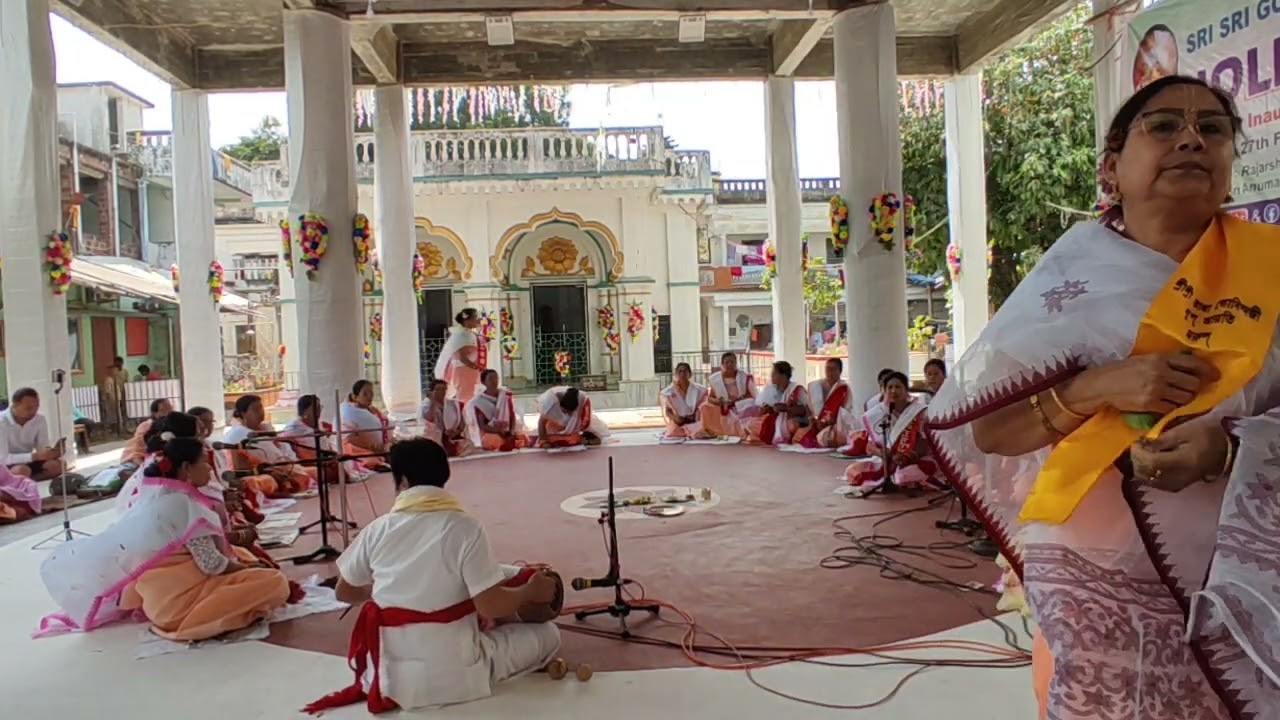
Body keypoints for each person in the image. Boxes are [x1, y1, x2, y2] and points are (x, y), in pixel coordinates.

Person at [926, 76, 1280, 720]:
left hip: (1248, 570)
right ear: (1113, 169)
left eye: (1214, 128)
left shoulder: (1272, 269)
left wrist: (1228, 450)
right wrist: (1094, 388)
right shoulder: (1069, 278)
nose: (1192, 139)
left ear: (1231, 165)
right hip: (1096, 569)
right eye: (1165, 125)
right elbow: (994, 432)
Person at [305, 438, 561, 714]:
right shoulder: (465, 528)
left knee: (481, 585)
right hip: (455, 676)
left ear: (402, 482)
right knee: (548, 634)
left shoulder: (377, 529)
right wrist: (530, 592)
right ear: (443, 476)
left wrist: (382, 596)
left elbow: (344, 591)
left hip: (389, 678)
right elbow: (490, 605)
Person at [39, 431, 291, 639]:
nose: (209, 469)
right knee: (273, 582)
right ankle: (208, 620)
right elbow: (212, 565)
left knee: (247, 561)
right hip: (181, 608)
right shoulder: (186, 506)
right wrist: (249, 566)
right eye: (203, 462)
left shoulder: (156, 497)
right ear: (186, 468)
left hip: (159, 601)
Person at [842, 371, 938, 490]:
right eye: (890, 387)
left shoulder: (918, 412)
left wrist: (907, 456)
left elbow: (925, 442)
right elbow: (869, 446)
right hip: (886, 461)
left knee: (902, 475)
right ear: (885, 391)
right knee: (852, 471)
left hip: (914, 459)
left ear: (906, 390)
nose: (893, 391)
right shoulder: (878, 414)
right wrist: (883, 454)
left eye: (898, 387)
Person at [222, 394, 312, 498]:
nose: (260, 412)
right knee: (265, 481)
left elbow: (284, 450)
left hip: (280, 468)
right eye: (255, 409)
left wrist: (288, 465)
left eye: (261, 408)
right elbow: (242, 466)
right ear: (243, 413)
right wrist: (271, 471)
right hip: (257, 474)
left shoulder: (267, 429)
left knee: (308, 472)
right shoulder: (237, 434)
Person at [0, 387, 64, 481]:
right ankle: (22, 481)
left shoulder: (39, 420)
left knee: (57, 466)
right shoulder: (2, 422)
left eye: (36, 407)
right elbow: (3, 459)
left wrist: (52, 453)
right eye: (29, 408)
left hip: (29, 460)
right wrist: (35, 456)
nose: (34, 411)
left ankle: (26, 481)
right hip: (6, 464)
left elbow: (42, 448)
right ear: (15, 405)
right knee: (21, 471)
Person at [743, 361, 809, 445]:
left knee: (791, 425)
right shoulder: (772, 389)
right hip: (776, 421)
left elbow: (805, 410)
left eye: (774, 373)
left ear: (783, 376)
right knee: (750, 424)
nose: (771, 376)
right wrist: (768, 409)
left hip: (793, 421)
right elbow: (767, 408)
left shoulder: (796, 389)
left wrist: (786, 409)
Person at [466, 370, 529, 452]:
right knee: (492, 440)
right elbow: (482, 426)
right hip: (490, 433)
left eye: (496, 378)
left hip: (507, 431)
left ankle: (509, 442)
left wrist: (511, 432)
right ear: (483, 382)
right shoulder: (478, 402)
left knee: (523, 438)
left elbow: (511, 416)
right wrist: (498, 431)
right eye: (491, 379)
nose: (494, 381)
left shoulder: (505, 396)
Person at [798, 357, 854, 448]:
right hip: (816, 424)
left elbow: (846, 411)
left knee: (832, 437)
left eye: (833, 369)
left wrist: (829, 422)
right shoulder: (815, 386)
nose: (829, 372)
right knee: (799, 435)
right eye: (827, 369)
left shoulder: (843, 388)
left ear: (840, 371)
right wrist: (812, 420)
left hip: (835, 424)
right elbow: (808, 406)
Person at [531, 386, 610, 448]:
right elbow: (541, 422)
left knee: (576, 439)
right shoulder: (549, 402)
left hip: (571, 434)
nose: (568, 414)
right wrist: (543, 441)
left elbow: (583, 422)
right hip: (552, 429)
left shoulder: (581, 400)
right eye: (566, 411)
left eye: (570, 413)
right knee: (550, 441)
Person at [435, 308, 486, 403]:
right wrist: (476, 367)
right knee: (464, 396)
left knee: (471, 395)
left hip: (470, 370)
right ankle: (463, 415)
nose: (478, 320)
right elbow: (461, 357)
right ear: (467, 320)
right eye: (475, 318)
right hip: (464, 370)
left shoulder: (468, 334)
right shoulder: (460, 335)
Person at [340, 379, 391, 473]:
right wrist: (371, 446)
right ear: (355, 396)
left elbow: (385, 425)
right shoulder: (348, 412)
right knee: (369, 460)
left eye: (371, 393)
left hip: (379, 448)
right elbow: (348, 438)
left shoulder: (373, 410)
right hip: (358, 450)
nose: (369, 397)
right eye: (365, 394)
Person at [703, 352, 759, 437]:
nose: (730, 364)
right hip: (724, 405)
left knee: (750, 402)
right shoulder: (715, 379)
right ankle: (712, 431)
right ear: (722, 364)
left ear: (736, 363)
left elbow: (752, 395)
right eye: (727, 362)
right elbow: (710, 398)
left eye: (732, 362)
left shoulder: (744, 376)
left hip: (741, 405)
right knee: (704, 406)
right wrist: (718, 401)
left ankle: (745, 430)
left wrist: (739, 400)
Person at [420, 379, 475, 458]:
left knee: (469, 445)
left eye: (444, 389)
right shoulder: (426, 406)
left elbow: (462, 423)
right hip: (434, 437)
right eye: (438, 389)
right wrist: (433, 403)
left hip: (451, 436)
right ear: (432, 391)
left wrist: (456, 432)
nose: (442, 392)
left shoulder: (453, 404)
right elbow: (429, 420)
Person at [659, 362, 714, 440]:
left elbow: (703, 407)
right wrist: (675, 418)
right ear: (676, 374)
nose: (682, 373)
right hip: (678, 422)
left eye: (685, 371)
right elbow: (668, 411)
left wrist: (696, 419)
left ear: (690, 374)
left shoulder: (699, 390)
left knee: (701, 432)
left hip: (695, 421)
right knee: (673, 434)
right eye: (680, 371)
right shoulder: (669, 391)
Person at [121, 398, 173, 468]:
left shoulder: (173, 424)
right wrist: (144, 467)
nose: (168, 412)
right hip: (136, 461)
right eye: (163, 410)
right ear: (155, 413)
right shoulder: (146, 426)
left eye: (170, 408)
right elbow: (136, 452)